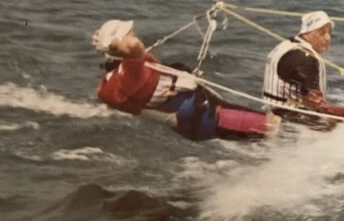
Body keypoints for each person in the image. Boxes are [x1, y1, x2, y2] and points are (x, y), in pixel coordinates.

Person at [93, 19, 280, 141]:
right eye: (130, 33)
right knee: (275, 128)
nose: (135, 35)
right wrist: (115, 43)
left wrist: (109, 45)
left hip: (196, 122)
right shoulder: (130, 73)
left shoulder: (110, 83)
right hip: (209, 116)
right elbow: (134, 47)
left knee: (267, 137)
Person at [262, 11, 344, 131]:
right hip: (291, 125)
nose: (328, 38)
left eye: (330, 32)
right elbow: (318, 105)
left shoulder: (288, 45)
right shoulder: (305, 58)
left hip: (274, 114)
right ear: (307, 33)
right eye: (322, 33)